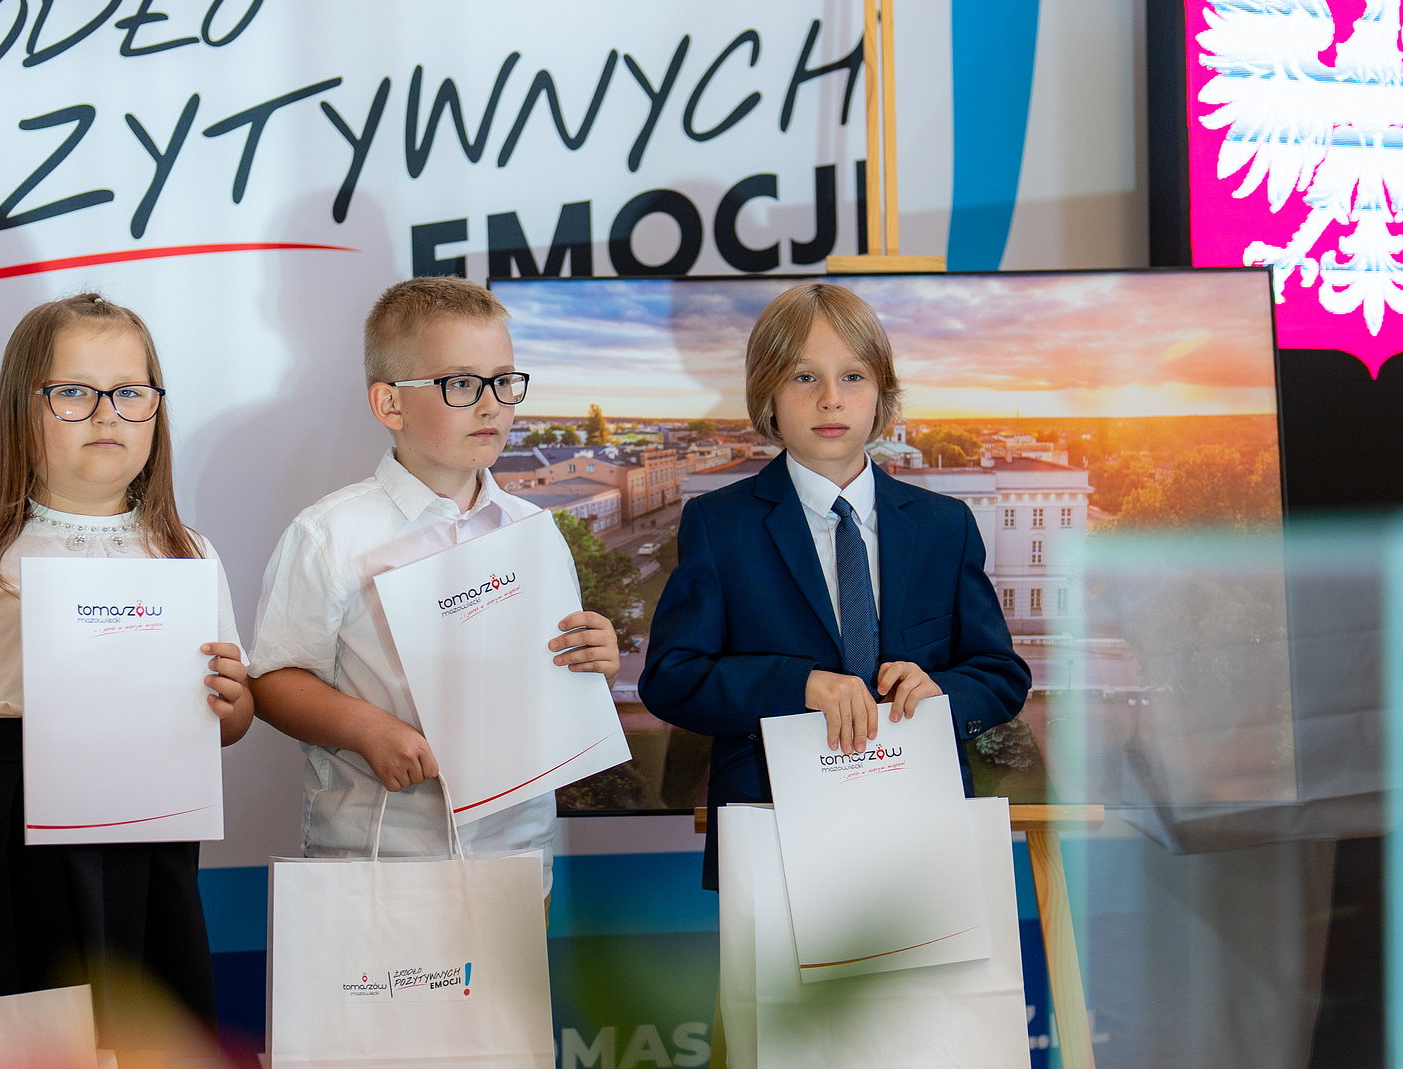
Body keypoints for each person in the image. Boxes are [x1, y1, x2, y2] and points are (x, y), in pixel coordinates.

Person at [0, 292, 250, 1027]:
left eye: (130, 393)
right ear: (22, 409)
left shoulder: (188, 552)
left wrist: (235, 704)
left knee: (153, 1050)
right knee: (22, 1045)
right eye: (74, 392)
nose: (107, 415)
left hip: (150, 830)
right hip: (10, 828)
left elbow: (227, 725)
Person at [640, 281, 1029, 886]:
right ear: (767, 395)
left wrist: (940, 691)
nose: (830, 399)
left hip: (922, 827)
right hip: (774, 830)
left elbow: (1001, 674)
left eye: (853, 377)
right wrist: (799, 686)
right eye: (804, 377)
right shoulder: (719, 525)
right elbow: (672, 679)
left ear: (882, 396)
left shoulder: (943, 525)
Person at [248, 276, 620, 880]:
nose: (491, 405)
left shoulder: (535, 529)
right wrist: (366, 727)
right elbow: (273, 681)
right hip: (383, 854)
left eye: (504, 381)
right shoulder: (329, 534)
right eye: (462, 384)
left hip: (520, 853)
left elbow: (558, 666)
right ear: (390, 405)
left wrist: (594, 657)